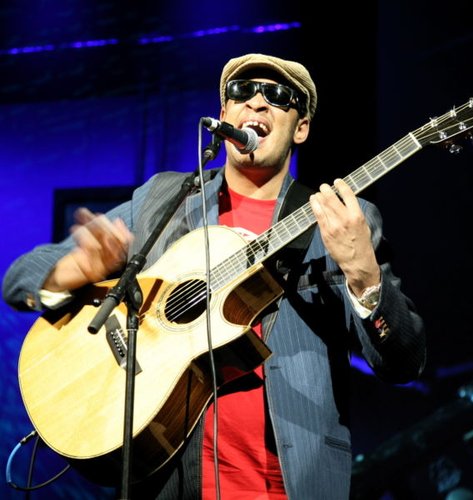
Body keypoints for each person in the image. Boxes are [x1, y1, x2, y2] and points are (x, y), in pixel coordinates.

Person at [2, 53, 426, 499]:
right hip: (168, 483)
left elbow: (404, 362)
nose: (257, 103)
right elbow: (19, 279)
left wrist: (364, 276)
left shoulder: (342, 223)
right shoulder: (163, 199)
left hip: (289, 485)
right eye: (242, 92)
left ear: (300, 128)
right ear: (223, 115)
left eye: (278, 96)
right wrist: (75, 270)